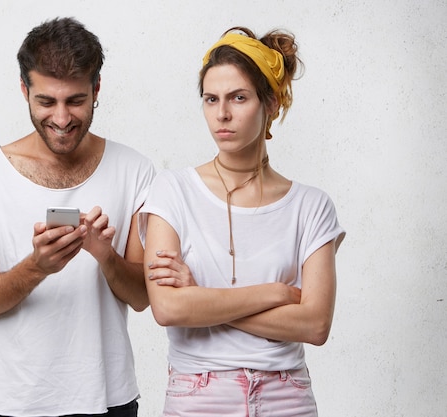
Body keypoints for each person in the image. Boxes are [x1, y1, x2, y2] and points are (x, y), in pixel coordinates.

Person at [139, 26, 345, 416]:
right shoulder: (171, 190)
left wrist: (201, 295)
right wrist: (275, 293)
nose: (222, 114)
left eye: (238, 97)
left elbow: (315, 325)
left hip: (287, 397)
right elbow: (167, 309)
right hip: (199, 396)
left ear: (269, 104)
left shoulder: (312, 206)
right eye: (210, 99)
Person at [0, 17, 154, 417]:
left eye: (75, 101)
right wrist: (36, 267)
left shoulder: (135, 170)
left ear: (96, 89)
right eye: (46, 101)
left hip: (110, 399)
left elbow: (143, 297)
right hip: (20, 401)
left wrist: (104, 254)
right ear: (24, 90)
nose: (61, 119)